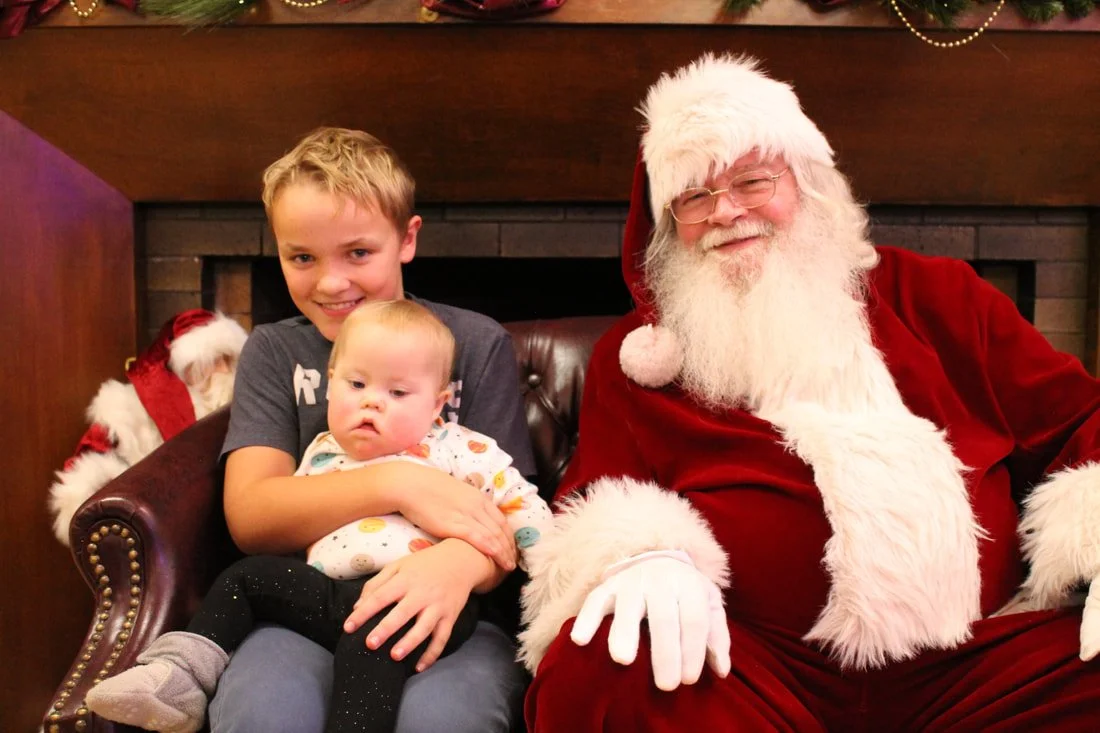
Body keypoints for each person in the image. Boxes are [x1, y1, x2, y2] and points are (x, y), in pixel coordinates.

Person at [518, 53, 1100, 732]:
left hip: (976, 669)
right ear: (668, 225)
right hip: (756, 677)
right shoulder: (639, 362)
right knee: (598, 664)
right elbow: (591, 500)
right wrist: (638, 555)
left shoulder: (940, 296)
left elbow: (1081, 416)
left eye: (752, 179)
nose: (727, 211)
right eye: (694, 197)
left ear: (808, 183)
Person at [194, 127, 534, 733]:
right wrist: (400, 483)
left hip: (453, 610)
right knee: (265, 714)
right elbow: (252, 517)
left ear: (406, 239)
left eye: (357, 253)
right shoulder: (273, 351)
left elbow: (512, 521)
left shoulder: (475, 345)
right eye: (302, 257)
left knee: (444, 722)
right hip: (305, 609)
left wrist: (458, 565)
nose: (330, 283)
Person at [86, 300, 552, 733]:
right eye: (356, 385)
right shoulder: (324, 450)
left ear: (436, 403)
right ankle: (178, 676)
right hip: (331, 594)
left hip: (419, 599)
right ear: (331, 381)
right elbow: (288, 519)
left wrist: (551, 583)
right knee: (245, 578)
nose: (372, 401)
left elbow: (522, 510)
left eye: (397, 392)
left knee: (367, 649)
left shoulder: (460, 447)